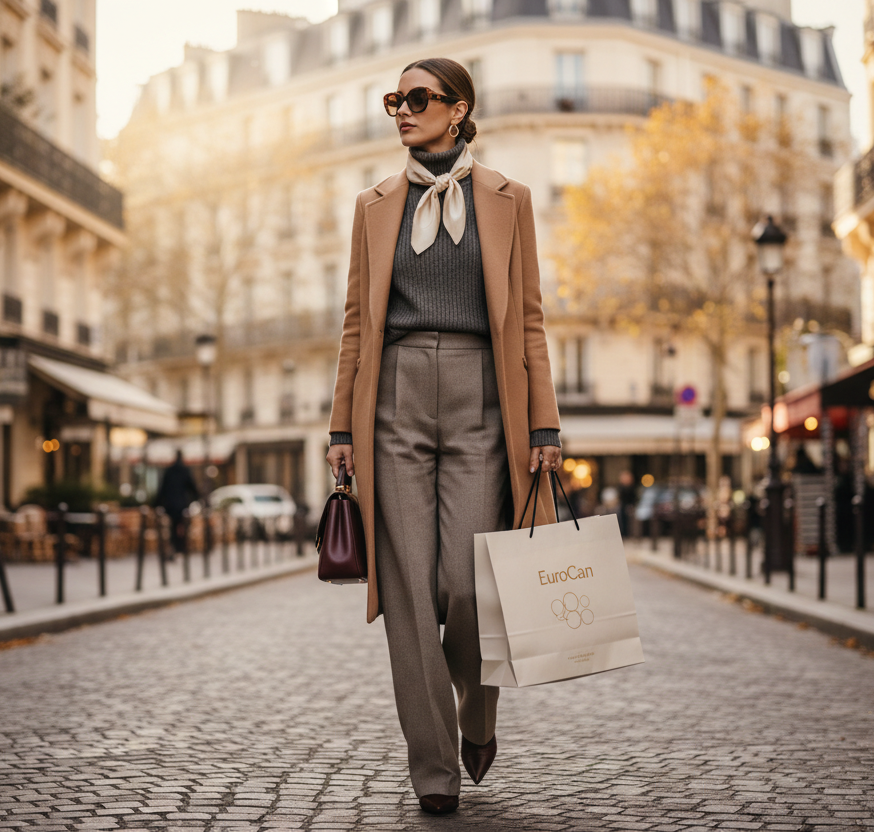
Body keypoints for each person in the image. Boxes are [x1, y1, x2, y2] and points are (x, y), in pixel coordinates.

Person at [325, 58, 562, 816]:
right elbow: (356, 324)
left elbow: (529, 319)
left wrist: (545, 421)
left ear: (458, 109)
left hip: (482, 396)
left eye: (419, 98)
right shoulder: (372, 206)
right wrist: (340, 424)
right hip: (393, 397)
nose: (403, 109)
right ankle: (432, 765)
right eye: (395, 99)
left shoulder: (509, 199)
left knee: (466, 583)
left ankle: (477, 709)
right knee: (406, 587)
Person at [153, 449, 201, 555]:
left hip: (170, 504)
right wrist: (197, 498)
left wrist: (156, 503)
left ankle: (174, 545)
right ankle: (181, 546)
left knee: (173, 526)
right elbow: (192, 487)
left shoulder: (169, 471)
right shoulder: (185, 470)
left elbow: (162, 489)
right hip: (181, 504)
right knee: (182, 525)